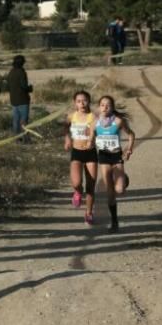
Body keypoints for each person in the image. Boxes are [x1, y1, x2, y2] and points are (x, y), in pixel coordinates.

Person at [95, 95, 135, 232]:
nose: (105, 107)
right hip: (104, 158)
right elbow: (89, 136)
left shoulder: (118, 121)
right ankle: (114, 222)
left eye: (108, 105)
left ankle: (124, 178)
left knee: (120, 190)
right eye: (102, 105)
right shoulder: (94, 122)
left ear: (112, 108)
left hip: (116, 156)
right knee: (110, 193)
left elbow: (131, 135)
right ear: (98, 107)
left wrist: (129, 149)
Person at [64, 90, 97, 224]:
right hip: (77, 152)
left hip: (90, 153)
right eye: (79, 101)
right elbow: (66, 127)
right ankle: (77, 192)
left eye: (84, 100)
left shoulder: (93, 117)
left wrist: (91, 139)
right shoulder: (72, 116)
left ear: (89, 101)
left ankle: (89, 213)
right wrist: (67, 139)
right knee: (77, 183)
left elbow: (94, 131)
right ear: (75, 103)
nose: (82, 103)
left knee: (91, 186)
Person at [7, 55, 33, 139]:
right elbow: (24, 86)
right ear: (22, 63)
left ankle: (17, 138)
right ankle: (26, 138)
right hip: (23, 100)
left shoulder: (11, 72)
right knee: (24, 121)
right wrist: (30, 88)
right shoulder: (21, 72)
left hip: (14, 100)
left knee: (16, 121)